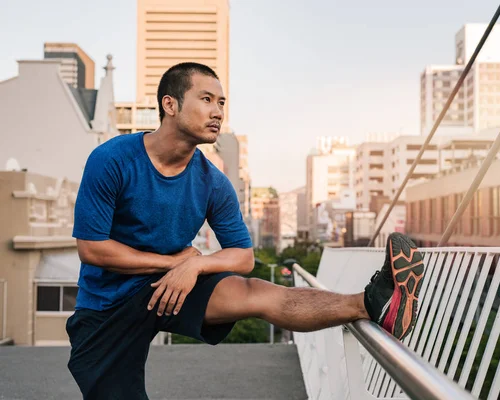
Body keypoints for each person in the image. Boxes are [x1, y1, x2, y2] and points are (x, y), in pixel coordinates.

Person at [66, 62, 425, 399]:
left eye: (221, 102)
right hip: (106, 306)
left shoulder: (213, 182)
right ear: (170, 104)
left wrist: (194, 265)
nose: (218, 111)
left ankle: (371, 303)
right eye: (206, 99)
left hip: (172, 287)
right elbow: (93, 249)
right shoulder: (112, 159)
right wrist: (173, 263)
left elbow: (244, 257)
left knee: (257, 292)